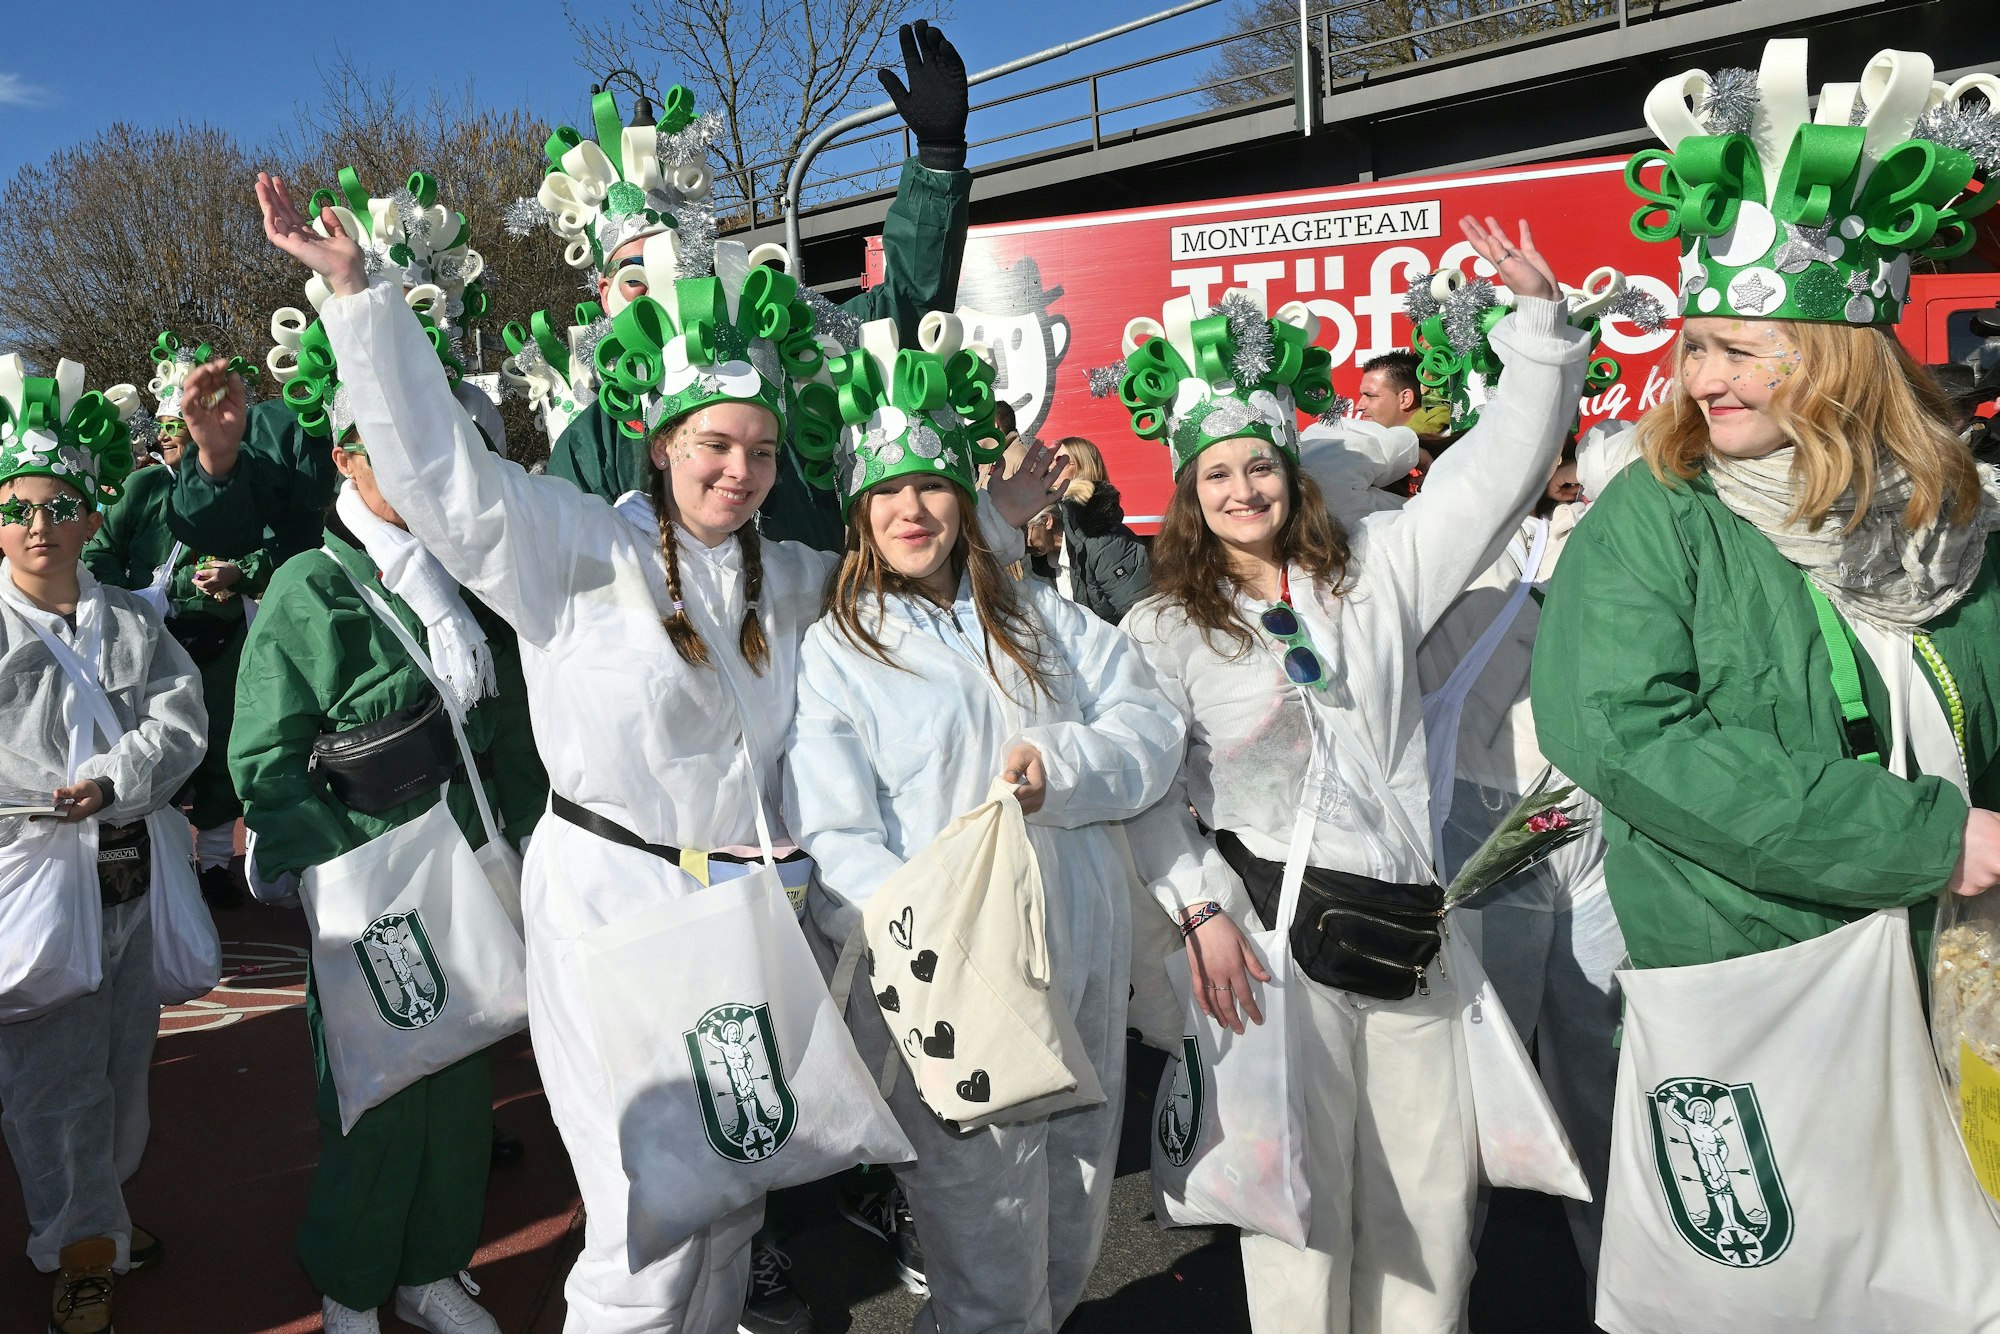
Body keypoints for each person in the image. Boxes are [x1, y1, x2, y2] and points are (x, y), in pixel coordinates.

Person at [255, 171, 1061, 1334]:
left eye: (762, 452)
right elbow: (444, 481)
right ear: (660, 438)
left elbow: (891, 590)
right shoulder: (577, 553)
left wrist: (992, 515)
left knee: (733, 1200)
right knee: (650, 1226)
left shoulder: (782, 580)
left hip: (740, 917)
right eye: (715, 445)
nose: (739, 470)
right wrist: (359, 299)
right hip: (612, 918)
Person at [1531, 41, 2000, 1319]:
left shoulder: (1952, 512)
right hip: (1765, 970)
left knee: (1949, 1273)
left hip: (1954, 959)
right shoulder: (1655, 514)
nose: (1704, 379)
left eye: (1741, 349)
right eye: (1697, 348)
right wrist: (1928, 837)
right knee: (1782, 1289)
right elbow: (1622, 734)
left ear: (1836, 352)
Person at [1117, 221, 1591, 1333]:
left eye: (1259, 467)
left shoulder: (1374, 571)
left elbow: (1489, 474)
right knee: (1295, 1201)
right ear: (1190, 493)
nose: (1243, 489)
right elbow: (1145, 792)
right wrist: (1199, 910)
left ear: (1293, 472)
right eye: (1217, 473)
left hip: (1408, 921)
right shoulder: (1158, 628)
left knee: (1427, 1193)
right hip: (1270, 943)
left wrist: (1534, 330)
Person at [782, 316, 1184, 1334]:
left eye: (928, 486)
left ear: (960, 501)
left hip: (1081, 959)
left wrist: (1066, 765)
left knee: (1066, 1233)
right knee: (984, 1249)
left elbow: (1148, 722)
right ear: (857, 512)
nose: (910, 509)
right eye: (886, 492)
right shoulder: (836, 651)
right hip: (956, 989)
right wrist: (932, 956)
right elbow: (835, 838)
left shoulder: (1035, 614)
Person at [228, 309, 545, 1334]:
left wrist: (535, 840)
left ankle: (430, 1265)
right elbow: (265, 763)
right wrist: (348, 880)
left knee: (460, 1087)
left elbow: (509, 729)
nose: (414, 470)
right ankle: (353, 1277)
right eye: (387, 448)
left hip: (474, 869)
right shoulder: (307, 588)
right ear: (343, 453)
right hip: (375, 885)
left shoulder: (469, 576)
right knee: (377, 1094)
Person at [526, 21, 975, 560]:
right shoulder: (592, 443)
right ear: (604, 292)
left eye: (675, 264)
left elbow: (898, 315)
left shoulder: (783, 355)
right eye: (634, 278)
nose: (657, 292)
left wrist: (938, 160)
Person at [0, 357, 206, 1334]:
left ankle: (100, 1210)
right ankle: (79, 1242)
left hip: (128, 873)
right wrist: (44, 798)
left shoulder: (129, 616)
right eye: (18, 508)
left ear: (88, 515)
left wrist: (116, 777)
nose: (39, 525)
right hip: (31, 887)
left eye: (57, 506)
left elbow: (180, 720)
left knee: (124, 1070)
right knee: (51, 1078)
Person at [170, 167, 505, 568]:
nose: (391, 328)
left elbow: (498, 523)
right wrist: (217, 463)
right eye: (376, 307)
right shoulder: (288, 428)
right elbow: (220, 531)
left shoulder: (468, 408)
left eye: (409, 310)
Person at [84, 332, 270, 910]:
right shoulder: (142, 488)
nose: (173, 438)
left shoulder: (243, 485)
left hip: (222, 640)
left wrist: (239, 573)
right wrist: (132, 600)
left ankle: (215, 862)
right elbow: (99, 552)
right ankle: (158, 858)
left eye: (180, 426)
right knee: (148, 746)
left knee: (218, 746)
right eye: (165, 427)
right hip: (148, 641)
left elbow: (273, 547)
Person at [1025, 436, 1151, 624]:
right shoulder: (1043, 547)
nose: (1051, 468)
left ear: (1083, 468)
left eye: (1061, 461)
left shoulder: (1104, 538)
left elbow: (1142, 619)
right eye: (1050, 461)